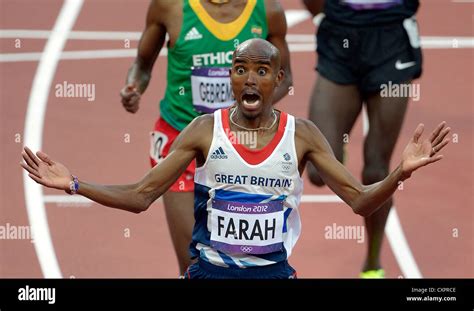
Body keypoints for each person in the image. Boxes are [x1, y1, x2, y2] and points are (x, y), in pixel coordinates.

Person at [21, 39, 449, 279]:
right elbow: (141, 195)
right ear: (231, 75)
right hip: (209, 277)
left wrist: (399, 173)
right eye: (240, 68)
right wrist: (73, 184)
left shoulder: (300, 136)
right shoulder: (204, 131)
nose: (249, 78)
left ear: (278, 80)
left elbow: (358, 200)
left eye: (261, 71)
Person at [119, 0, 292, 276]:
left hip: (237, 145)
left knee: (235, 262)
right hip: (180, 139)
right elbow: (142, 64)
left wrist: (248, 109)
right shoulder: (169, 7)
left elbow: (285, 78)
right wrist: (134, 86)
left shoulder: (268, 10)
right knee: (195, 263)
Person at [302, 0, 423, 278]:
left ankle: (372, 264)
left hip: (391, 37)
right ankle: (338, 143)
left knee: (376, 169)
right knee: (319, 171)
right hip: (340, 32)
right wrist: (322, 14)